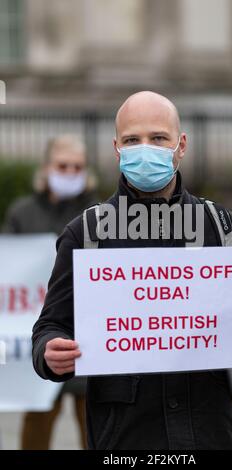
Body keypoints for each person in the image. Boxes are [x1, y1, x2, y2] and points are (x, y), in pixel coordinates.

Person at [32, 92, 232, 450]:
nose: (145, 149)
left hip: (209, 433)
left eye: (158, 138)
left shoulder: (220, 226)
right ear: (117, 148)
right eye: (132, 140)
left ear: (181, 145)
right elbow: (50, 326)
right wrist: (48, 353)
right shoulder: (84, 234)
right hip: (127, 437)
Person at [3, 135, 98, 449]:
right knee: (37, 426)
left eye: (77, 167)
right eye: (63, 166)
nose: (70, 172)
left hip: (90, 340)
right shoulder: (23, 212)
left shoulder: (101, 214)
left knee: (95, 424)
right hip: (40, 338)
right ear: (47, 168)